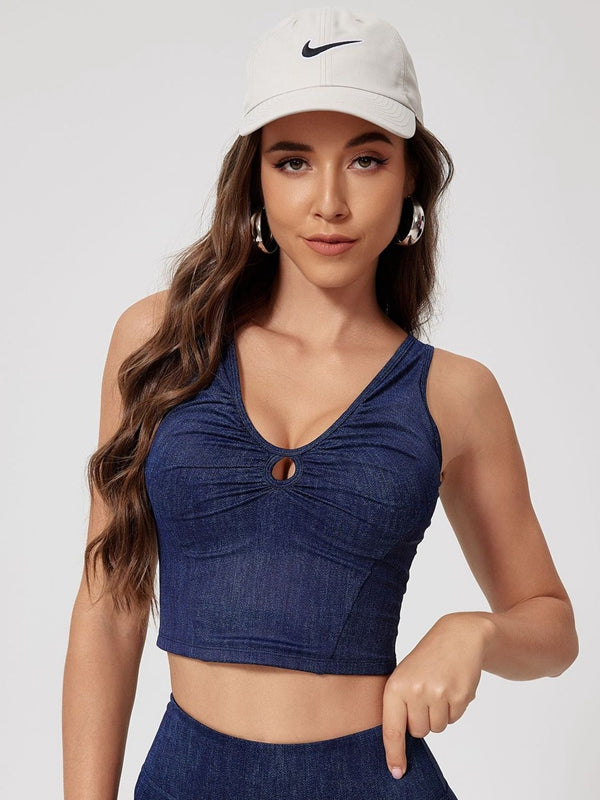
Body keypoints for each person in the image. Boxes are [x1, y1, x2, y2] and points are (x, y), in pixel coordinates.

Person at [62, 7, 579, 799]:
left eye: (366, 160)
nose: (329, 202)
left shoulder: (453, 393)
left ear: (410, 177)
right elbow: (109, 604)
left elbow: (551, 627)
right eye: (294, 161)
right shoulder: (158, 342)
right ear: (256, 177)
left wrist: (475, 632)